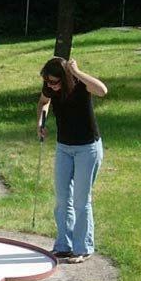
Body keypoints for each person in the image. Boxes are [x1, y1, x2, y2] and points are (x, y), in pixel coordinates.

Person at [36, 57, 107, 264]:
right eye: (47, 82)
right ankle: (63, 246)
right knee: (62, 198)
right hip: (64, 147)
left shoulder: (81, 85)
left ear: (66, 78)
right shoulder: (50, 86)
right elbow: (43, 102)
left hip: (87, 148)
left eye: (54, 82)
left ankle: (83, 248)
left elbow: (102, 90)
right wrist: (41, 120)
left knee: (81, 201)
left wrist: (76, 72)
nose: (50, 86)